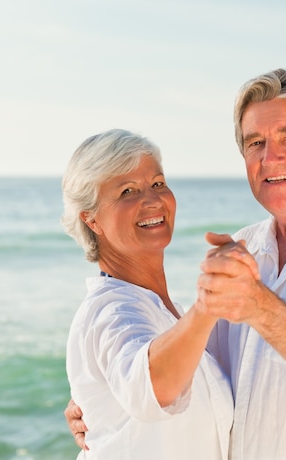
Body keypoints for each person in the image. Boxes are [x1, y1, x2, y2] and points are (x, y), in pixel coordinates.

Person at [66, 69, 286, 459]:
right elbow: (206, 382)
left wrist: (258, 305)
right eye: (256, 142)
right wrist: (104, 401)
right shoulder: (244, 248)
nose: (271, 157)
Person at [61, 129, 234, 459]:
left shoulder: (171, 315)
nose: (152, 200)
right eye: (127, 191)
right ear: (91, 219)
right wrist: (210, 301)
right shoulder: (110, 311)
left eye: (157, 183)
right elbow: (151, 388)